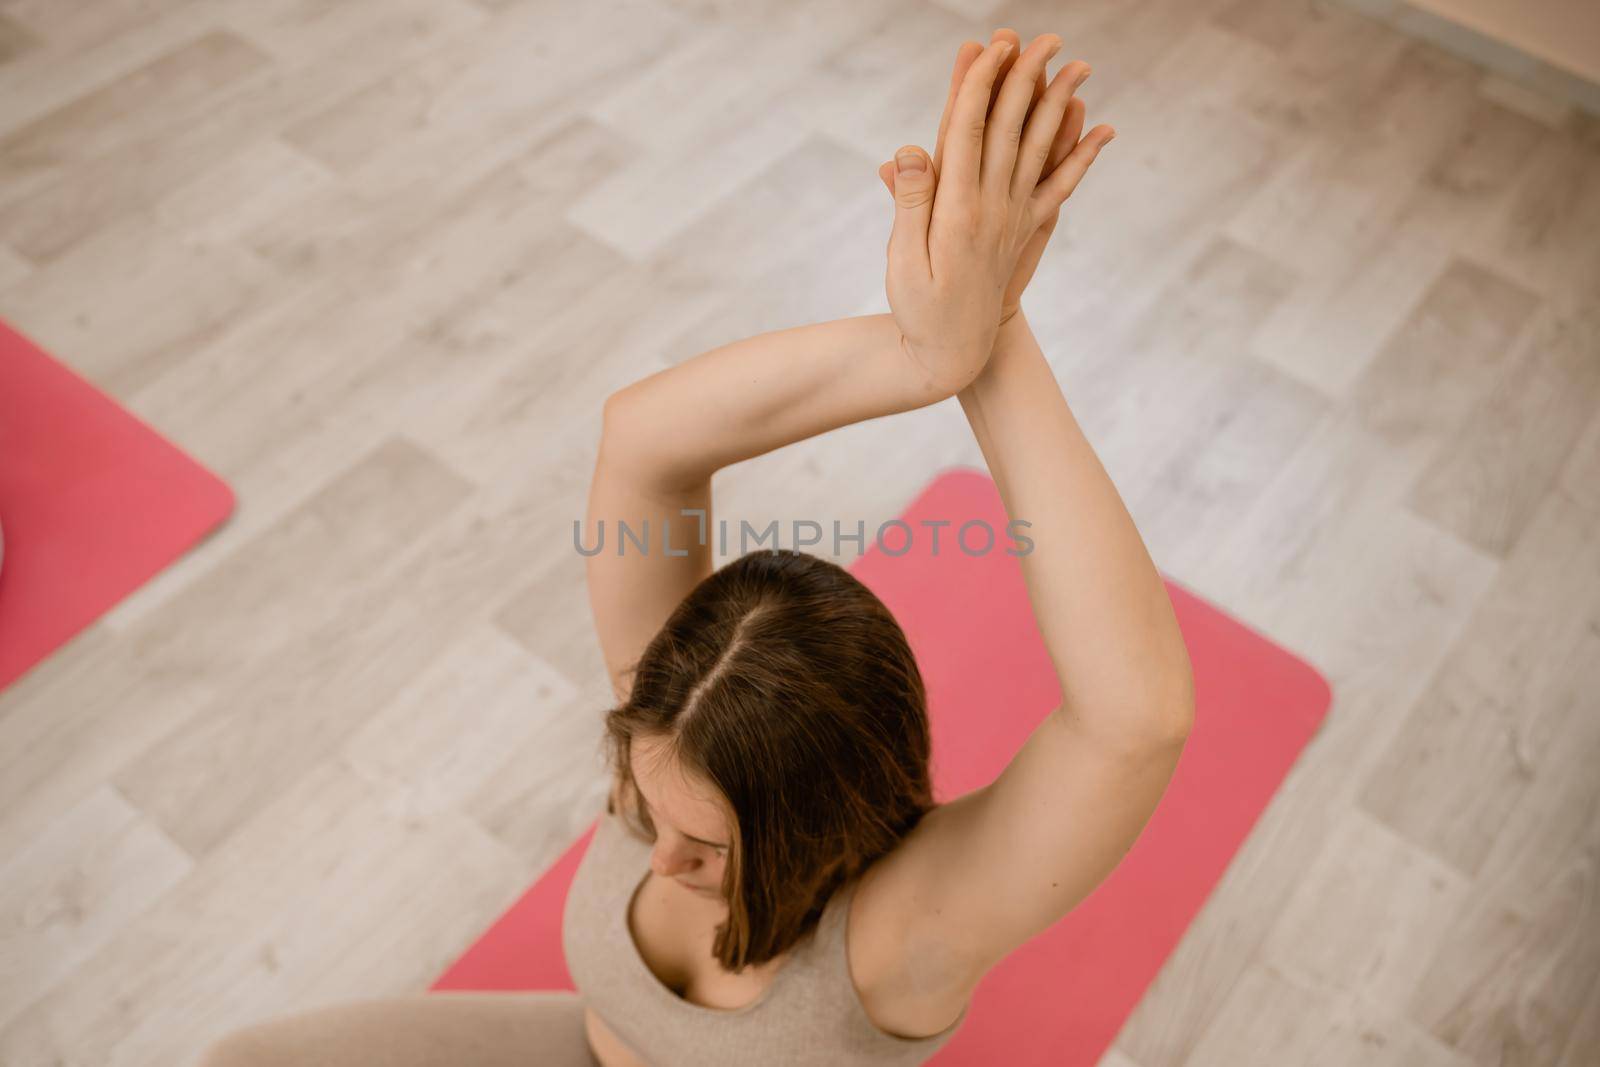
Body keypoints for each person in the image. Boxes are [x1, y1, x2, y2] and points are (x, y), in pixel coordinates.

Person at [197, 27, 1192, 1067]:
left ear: (819, 816)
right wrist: (929, 349)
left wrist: (1002, 336)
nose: (658, 857)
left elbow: (1136, 720)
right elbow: (642, 441)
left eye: (709, 845)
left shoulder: (906, 930)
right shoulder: (675, 730)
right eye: (649, 804)